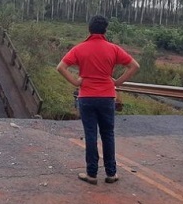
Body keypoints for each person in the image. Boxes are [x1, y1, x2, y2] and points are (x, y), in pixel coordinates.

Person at [57, 15, 139, 185]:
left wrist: (76, 81)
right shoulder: (113, 49)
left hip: (86, 97)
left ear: (89, 29)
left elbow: (61, 67)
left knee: (91, 135)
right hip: (107, 96)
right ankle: (111, 173)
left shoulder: (79, 49)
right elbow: (134, 66)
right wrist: (117, 82)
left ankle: (92, 174)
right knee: (108, 134)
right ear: (105, 30)